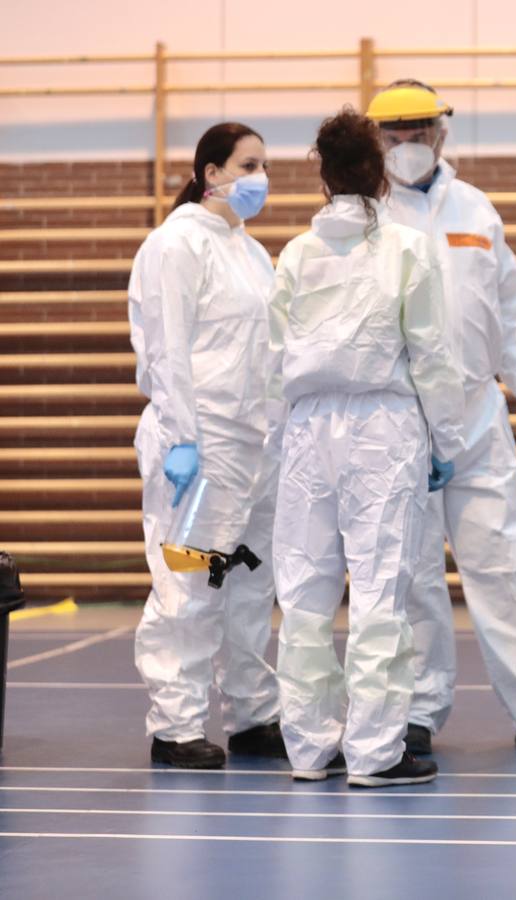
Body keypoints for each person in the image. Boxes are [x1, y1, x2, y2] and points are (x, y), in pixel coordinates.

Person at [364, 80, 516, 752]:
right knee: (414, 571)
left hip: (478, 414)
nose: (406, 145)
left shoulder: (477, 210)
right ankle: (418, 710)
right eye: (392, 135)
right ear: (375, 141)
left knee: (502, 561)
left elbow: (507, 301)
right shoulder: (367, 216)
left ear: (441, 133)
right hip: (402, 417)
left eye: (418, 131)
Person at [269, 109, 465, 787]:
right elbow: (433, 354)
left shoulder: (295, 253)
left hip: (305, 431)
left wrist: (280, 440)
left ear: (322, 176)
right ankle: (378, 751)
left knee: (303, 589)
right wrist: (447, 438)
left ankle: (309, 746)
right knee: (381, 587)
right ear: (379, 171)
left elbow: (271, 360)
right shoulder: (408, 247)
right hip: (383, 430)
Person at [129, 122, 285, 769]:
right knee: (190, 581)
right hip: (201, 446)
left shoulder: (249, 251)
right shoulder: (175, 245)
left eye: (264, 166)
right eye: (248, 165)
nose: (260, 178)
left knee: (249, 582)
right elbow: (165, 347)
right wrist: (182, 437)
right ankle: (176, 726)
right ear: (210, 173)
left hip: (254, 446)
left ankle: (251, 715)